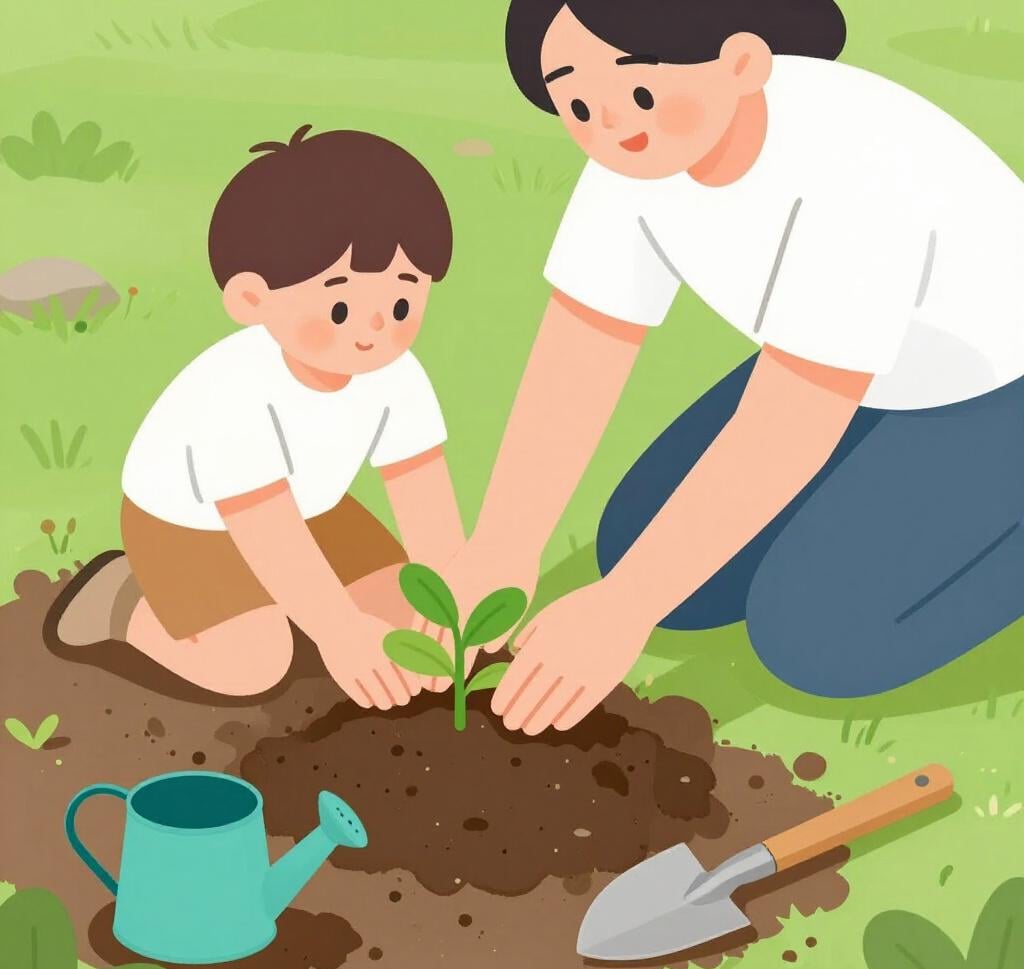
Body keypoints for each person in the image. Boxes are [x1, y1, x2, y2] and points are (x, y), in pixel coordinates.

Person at [440, 0, 1024, 735]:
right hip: (854, 372)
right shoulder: (634, 151)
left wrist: (622, 610)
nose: (610, 122)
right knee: (641, 554)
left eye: (638, 88)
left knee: (814, 640)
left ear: (741, 61)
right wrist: (504, 547)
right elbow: (583, 346)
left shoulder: (851, 168)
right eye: (577, 105)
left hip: (990, 389)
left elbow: (792, 421)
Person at [48, 127, 463, 706]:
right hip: (190, 526)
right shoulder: (235, 393)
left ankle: (292, 608)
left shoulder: (398, 373)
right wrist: (340, 632)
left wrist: (452, 614)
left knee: (406, 617)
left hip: (316, 508)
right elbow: (264, 527)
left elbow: (426, 502)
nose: (374, 329)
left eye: (400, 301)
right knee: (252, 664)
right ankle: (119, 600)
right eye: (340, 306)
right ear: (251, 299)